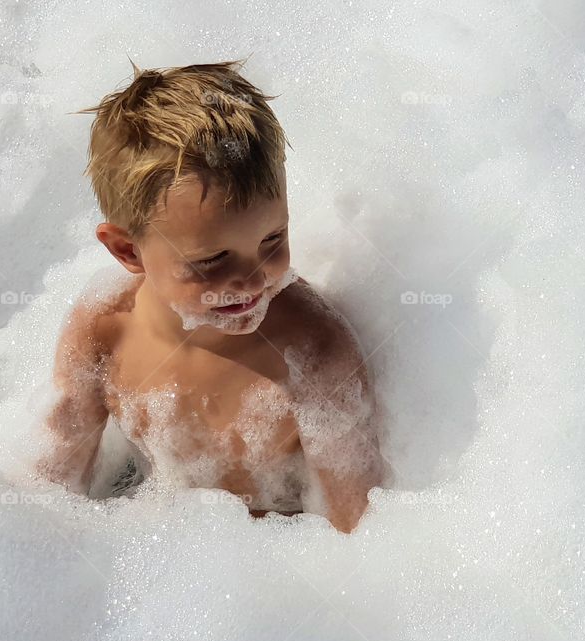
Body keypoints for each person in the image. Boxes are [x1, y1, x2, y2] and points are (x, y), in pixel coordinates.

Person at [36, 58, 386, 533]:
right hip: (158, 538)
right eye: (212, 260)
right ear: (127, 250)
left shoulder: (314, 353)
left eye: (272, 239)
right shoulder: (103, 329)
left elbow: (361, 533)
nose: (253, 277)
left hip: (276, 555)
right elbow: (50, 488)